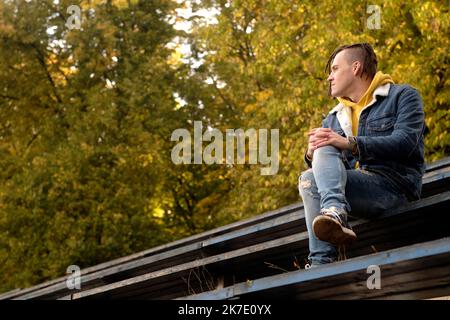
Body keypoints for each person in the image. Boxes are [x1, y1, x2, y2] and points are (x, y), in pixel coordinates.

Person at [298, 43, 425, 268]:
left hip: (394, 186)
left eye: (335, 69)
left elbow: (406, 143)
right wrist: (311, 152)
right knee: (309, 175)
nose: (329, 77)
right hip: (353, 190)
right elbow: (331, 167)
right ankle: (322, 259)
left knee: (322, 157)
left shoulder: (402, 95)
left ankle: (327, 239)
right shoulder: (334, 117)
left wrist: (351, 144)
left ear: (355, 67)